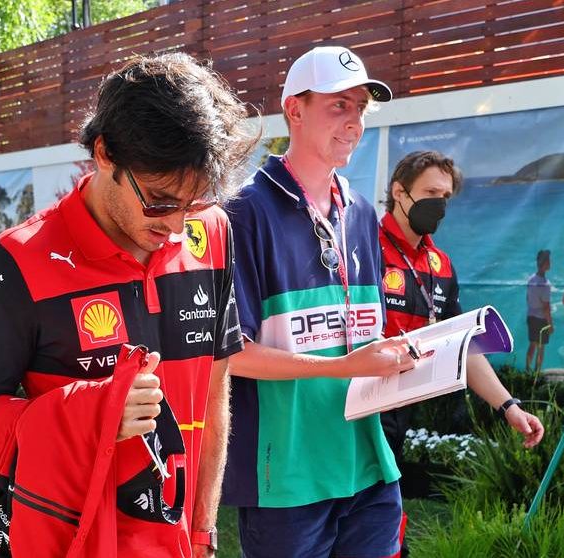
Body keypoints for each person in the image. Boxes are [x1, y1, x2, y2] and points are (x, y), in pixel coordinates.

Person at [0, 52, 257, 558]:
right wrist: (92, 417)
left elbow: (214, 389)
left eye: (195, 201)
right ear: (104, 154)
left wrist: (204, 532)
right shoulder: (18, 262)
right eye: (159, 200)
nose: (177, 226)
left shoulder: (214, 234)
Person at [222, 45, 419, 558]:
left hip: (368, 465)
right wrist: (342, 367)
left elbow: (364, 333)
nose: (354, 122)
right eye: (339, 106)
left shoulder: (358, 211)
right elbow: (232, 355)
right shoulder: (243, 213)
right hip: (289, 477)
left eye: (360, 108)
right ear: (295, 109)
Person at [378, 152, 545, 555]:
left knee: (383, 522)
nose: (439, 204)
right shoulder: (364, 248)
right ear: (399, 193)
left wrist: (508, 406)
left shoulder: (440, 263)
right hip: (351, 411)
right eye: (430, 193)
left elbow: (462, 345)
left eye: (446, 196)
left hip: (398, 414)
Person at [526, 249, 553, 372]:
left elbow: (527, 298)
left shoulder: (531, 279)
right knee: (541, 348)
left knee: (532, 345)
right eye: (549, 260)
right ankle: (536, 374)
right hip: (541, 319)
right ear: (545, 263)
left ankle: (527, 370)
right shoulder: (545, 284)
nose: (550, 262)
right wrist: (550, 324)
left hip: (531, 316)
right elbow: (546, 307)